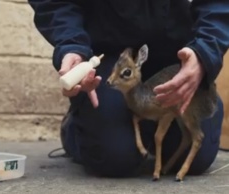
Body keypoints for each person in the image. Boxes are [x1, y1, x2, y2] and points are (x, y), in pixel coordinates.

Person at [28, 0, 229, 177]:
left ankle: (145, 127)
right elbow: (53, 3)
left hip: (175, 50)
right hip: (109, 51)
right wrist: (72, 44)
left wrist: (204, 52)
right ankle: (78, 129)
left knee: (196, 158)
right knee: (115, 157)